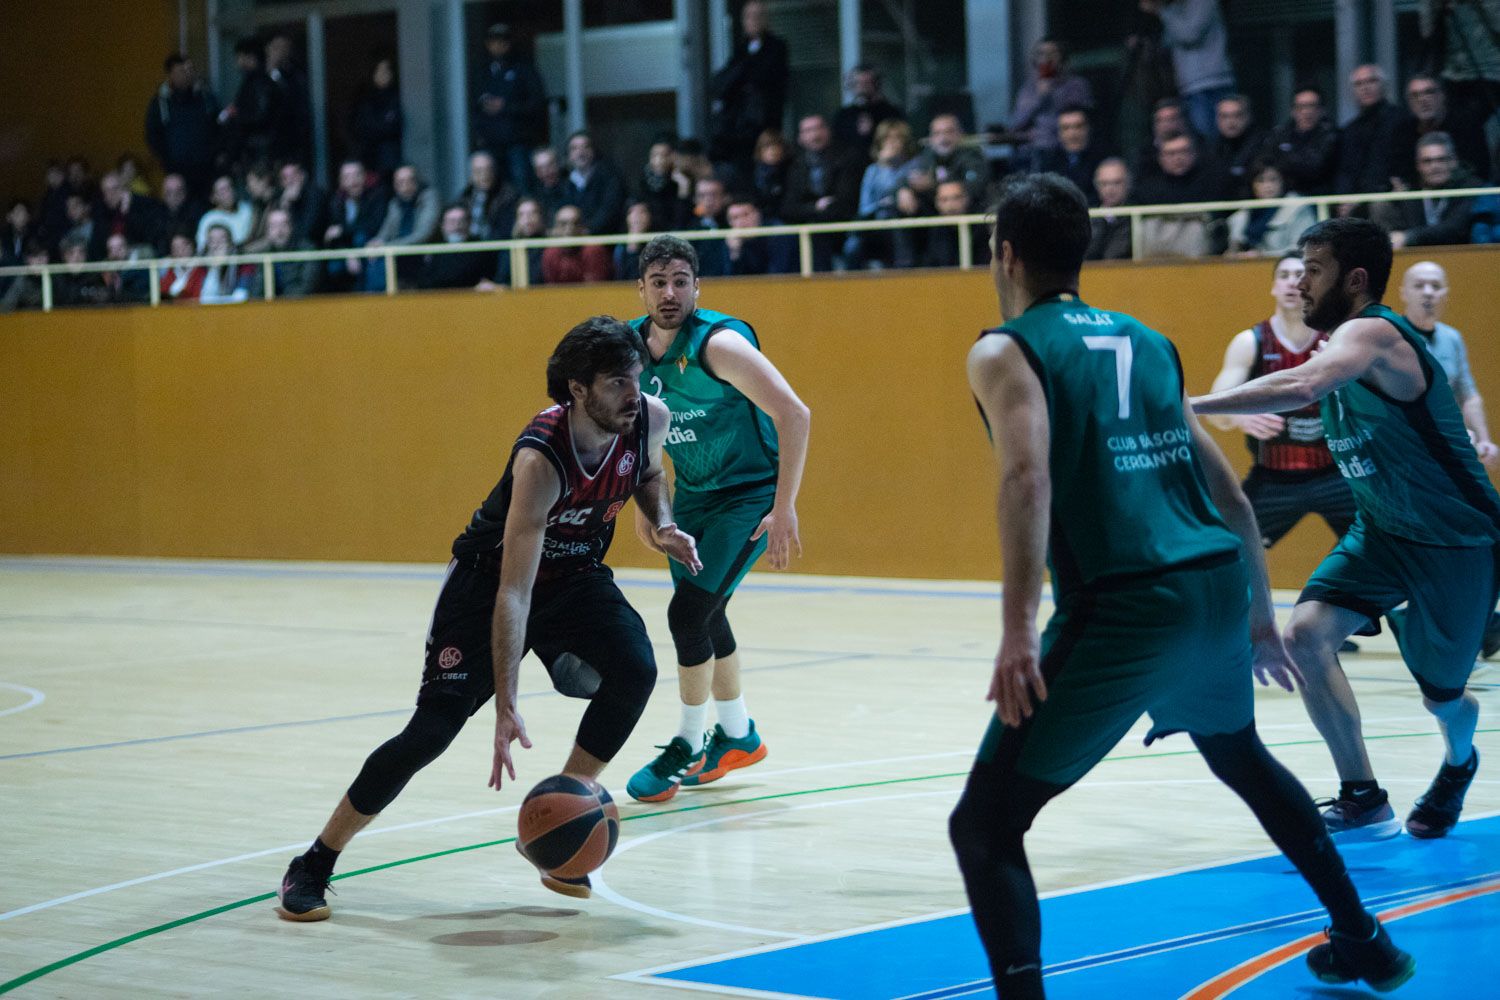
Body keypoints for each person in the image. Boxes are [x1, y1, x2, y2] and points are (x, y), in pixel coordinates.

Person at [953, 174, 1414, 1000]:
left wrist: (1019, 629)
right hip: (1212, 586)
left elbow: (1026, 480)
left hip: (1127, 601)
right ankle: (1364, 937)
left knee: (984, 827)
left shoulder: (1004, 348)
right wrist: (1260, 617)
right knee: (1239, 754)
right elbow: (1232, 495)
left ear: (1005, 254)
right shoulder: (1149, 340)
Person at [275, 317, 701, 920]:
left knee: (635, 669)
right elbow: (514, 595)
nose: (634, 393)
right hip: (489, 586)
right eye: (615, 383)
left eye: (635, 377)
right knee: (431, 732)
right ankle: (313, 862)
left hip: (576, 577)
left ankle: (559, 818)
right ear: (578, 389)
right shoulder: (541, 460)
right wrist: (506, 704)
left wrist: (661, 523)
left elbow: (650, 474)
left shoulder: (646, 419)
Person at [1192, 217, 1499, 843]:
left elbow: (1300, 384)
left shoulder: (1374, 332)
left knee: (1444, 700)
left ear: (1354, 279)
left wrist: (1183, 406)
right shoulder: (1337, 347)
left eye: (1314, 269)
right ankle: (1362, 794)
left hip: (1456, 543)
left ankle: (1459, 760)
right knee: (1305, 635)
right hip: (1382, 531)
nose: (1299, 282)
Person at [624, 235, 810, 802]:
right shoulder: (630, 348)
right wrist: (649, 506)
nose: (670, 292)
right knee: (708, 613)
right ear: (642, 289)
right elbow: (639, 428)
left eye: (681, 281)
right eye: (659, 282)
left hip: (749, 496)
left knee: (689, 613)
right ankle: (738, 735)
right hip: (694, 498)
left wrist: (783, 508)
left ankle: (686, 744)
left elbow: (795, 414)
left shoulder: (719, 345)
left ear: (697, 288)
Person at [1204, 254, 1360, 655]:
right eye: (1285, 275)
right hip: (1274, 479)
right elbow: (1220, 405)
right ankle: (1221, 632)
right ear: (1274, 287)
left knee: (1388, 539)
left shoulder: (1336, 340)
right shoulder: (1251, 341)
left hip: (1333, 475)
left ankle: (1332, 624)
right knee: (1223, 548)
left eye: (1303, 274)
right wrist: (1240, 420)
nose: (1294, 281)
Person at [1396, 260, 1500, 657]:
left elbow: (1467, 392)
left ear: (1445, 294)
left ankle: (1478, 626)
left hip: (1451, 465)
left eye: (1435, 285)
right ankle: (1431, 628)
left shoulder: (1451, 339)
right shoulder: (1394, 338)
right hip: (1409, 471)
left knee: (1481, 537)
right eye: (1419, 284)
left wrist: (1484, 438)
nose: (1427, 292)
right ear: (1403, 292)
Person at [1143, 0, 1236, 139]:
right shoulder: (1175, 7)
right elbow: (1169, 41)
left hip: (1210, 82)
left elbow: (1189, 33)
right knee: (1197, 139)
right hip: (1190, 84)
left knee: (1209, 139)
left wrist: (1161, 11)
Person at [473, 23, 547, 192]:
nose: (498, 45)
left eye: (503, 41)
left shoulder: (524, 69)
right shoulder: (483, 72)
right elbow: (476, 107)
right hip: (491, 143)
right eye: (494, 41)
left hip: (518, 142)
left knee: (521, 186)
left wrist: (506, 106)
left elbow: (537, 103)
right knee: (490, 187)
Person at [1224, 161, 1316, 256]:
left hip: (1288, 267)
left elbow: (1303, 249)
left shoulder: (1298, 208)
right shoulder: (1242, 215)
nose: (1267, 186)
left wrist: (1262, 255)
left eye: (1273, 180)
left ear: (1283, 181)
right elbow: (1233, 250)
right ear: (1252, 184)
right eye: (1260, 180)